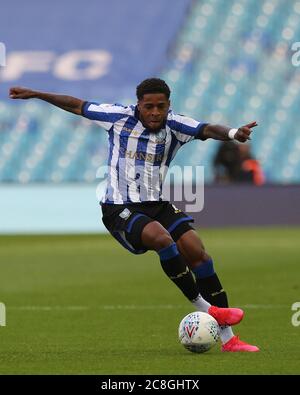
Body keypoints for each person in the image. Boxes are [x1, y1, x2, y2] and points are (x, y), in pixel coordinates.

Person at [9, 78, 259, 352]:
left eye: (160, 107)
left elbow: (208, 129)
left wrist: (234, 133)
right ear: (138, 104)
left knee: (197, 252)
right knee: (163, 240)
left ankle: (229, 340)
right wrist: (37, 93)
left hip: (157, 204)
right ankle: (207, 308)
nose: (154, 112)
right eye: (148, 106)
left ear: (168, 106)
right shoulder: (118, 117)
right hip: (119, 207)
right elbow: (78, 105)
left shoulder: (175, 125)